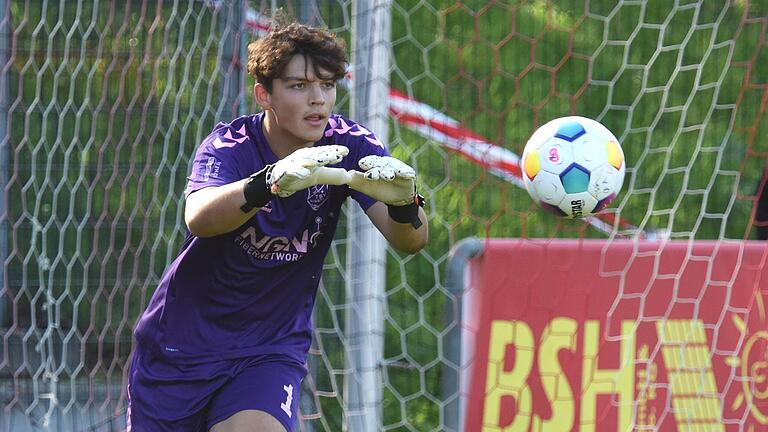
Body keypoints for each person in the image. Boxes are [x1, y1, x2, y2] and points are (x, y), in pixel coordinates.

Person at [126, 19, 428, 432]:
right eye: (299, 86)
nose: (318, 99)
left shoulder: (351, 143)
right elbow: (199, 216)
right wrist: (268, 183)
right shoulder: (230, 145)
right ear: (264, 94)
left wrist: (407, 205)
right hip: (182, 347)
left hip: (269, 349)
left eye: (327, 85)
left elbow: (409, 241)